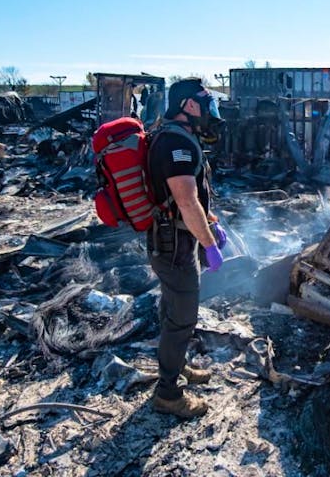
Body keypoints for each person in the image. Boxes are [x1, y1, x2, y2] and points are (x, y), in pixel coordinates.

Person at [147, 77, 227, 418]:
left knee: (173, 311)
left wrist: (211, 221)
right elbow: (185, 201)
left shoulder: (180, 137)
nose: (212, 112)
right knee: (181, 318)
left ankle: (175, 367)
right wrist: (209, 244)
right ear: (189, 106)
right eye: (207, 104)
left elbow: (195, 195)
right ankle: (168, 394)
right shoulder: (174, 144)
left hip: (176, 241)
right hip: (173, 246)